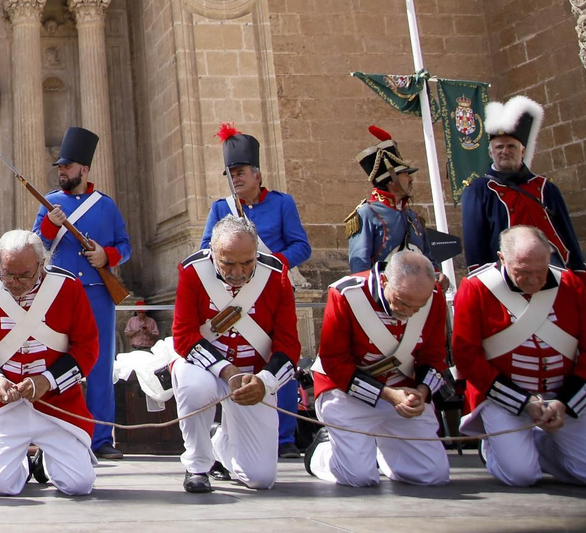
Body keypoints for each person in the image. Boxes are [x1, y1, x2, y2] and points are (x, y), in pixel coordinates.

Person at [454, 225, 586, 488]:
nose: (533, 281)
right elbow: (467, 356)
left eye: (540, 272)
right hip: (504, 398)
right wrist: (522, 402)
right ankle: (497, 448)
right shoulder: (476, 288)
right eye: (523, 272)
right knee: (521, 476)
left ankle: (536, 448)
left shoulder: (569, 285)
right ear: (502, 259)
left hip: (561, 396)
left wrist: (564, 403)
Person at [0, 229, 98, 497]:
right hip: (2, 406)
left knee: (79, 485)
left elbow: (87, 347)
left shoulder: (68, 288)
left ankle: (45, 460)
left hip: (57, 403)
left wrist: (48, 380)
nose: (15, 282)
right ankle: (16, 461)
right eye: (8, 274)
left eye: (24, 275)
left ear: (41, 265)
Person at [201, 122, 310, 458]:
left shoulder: (282, 203)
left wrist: (273, 264)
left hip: (274, 293)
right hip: (234, 297)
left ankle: (285, 437)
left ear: (258, 174)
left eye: (241, 171)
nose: (235, 178)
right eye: (231, 173)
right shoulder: (222, 209)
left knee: (283, 357)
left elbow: (301, 247)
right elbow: (207, 246)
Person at [171, 214, 299, 494]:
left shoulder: (277, 276)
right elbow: (184, 337)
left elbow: (289, 346)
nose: (238, 273)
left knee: (260, 478)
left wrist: (265, 382)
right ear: (214, 253)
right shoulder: (193, 271)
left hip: (254, 376)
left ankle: (219, 444)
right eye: (228, 263)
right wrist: (227, 371)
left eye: (247, 262)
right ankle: (197, 465)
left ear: (256, 252)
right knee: (194, 387)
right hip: (207, 368)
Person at [304, 249, 450, 487]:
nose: (409, 313)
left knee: (432, 474)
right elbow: (334, 362)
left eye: (418, 307)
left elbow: (434, 356)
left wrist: (422, 392)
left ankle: (388, 453)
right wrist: (388, 396)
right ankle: (320, 454)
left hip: (403, 389)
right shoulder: (346, 294)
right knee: (358, 477)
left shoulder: (433, 297)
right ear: (384, 281)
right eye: (403, 303)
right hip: (346, 390)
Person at [33, 125, 131, 459]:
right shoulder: (50, 204)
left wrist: (107, 256)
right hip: (59, 294)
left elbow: (125, 247)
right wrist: (51, 224)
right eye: (60, 167)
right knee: (54, 365)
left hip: (97, 293)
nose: (61, 171)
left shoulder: (106, 205)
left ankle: (101, 439)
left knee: (101, 367)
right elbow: (36, 245)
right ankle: (57, 434)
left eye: (67, 166)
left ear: (84, 170)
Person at [462, 96, 586, 293]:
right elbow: (475, 244)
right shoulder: (479, 190)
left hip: (557, 273)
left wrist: (583, 282)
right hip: (507, 281)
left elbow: (567, 235)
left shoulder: (545, 188)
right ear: (491, 153)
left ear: (522, 151)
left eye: (511, 146)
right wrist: (485, 287)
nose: (505, 151)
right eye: (499, 147)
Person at [345, 126, 431, 272]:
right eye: (405, 174)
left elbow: (430, 259)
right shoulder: (367, 212)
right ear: (392, 180)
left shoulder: (413, 216)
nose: (410, 178)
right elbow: (360, 266)